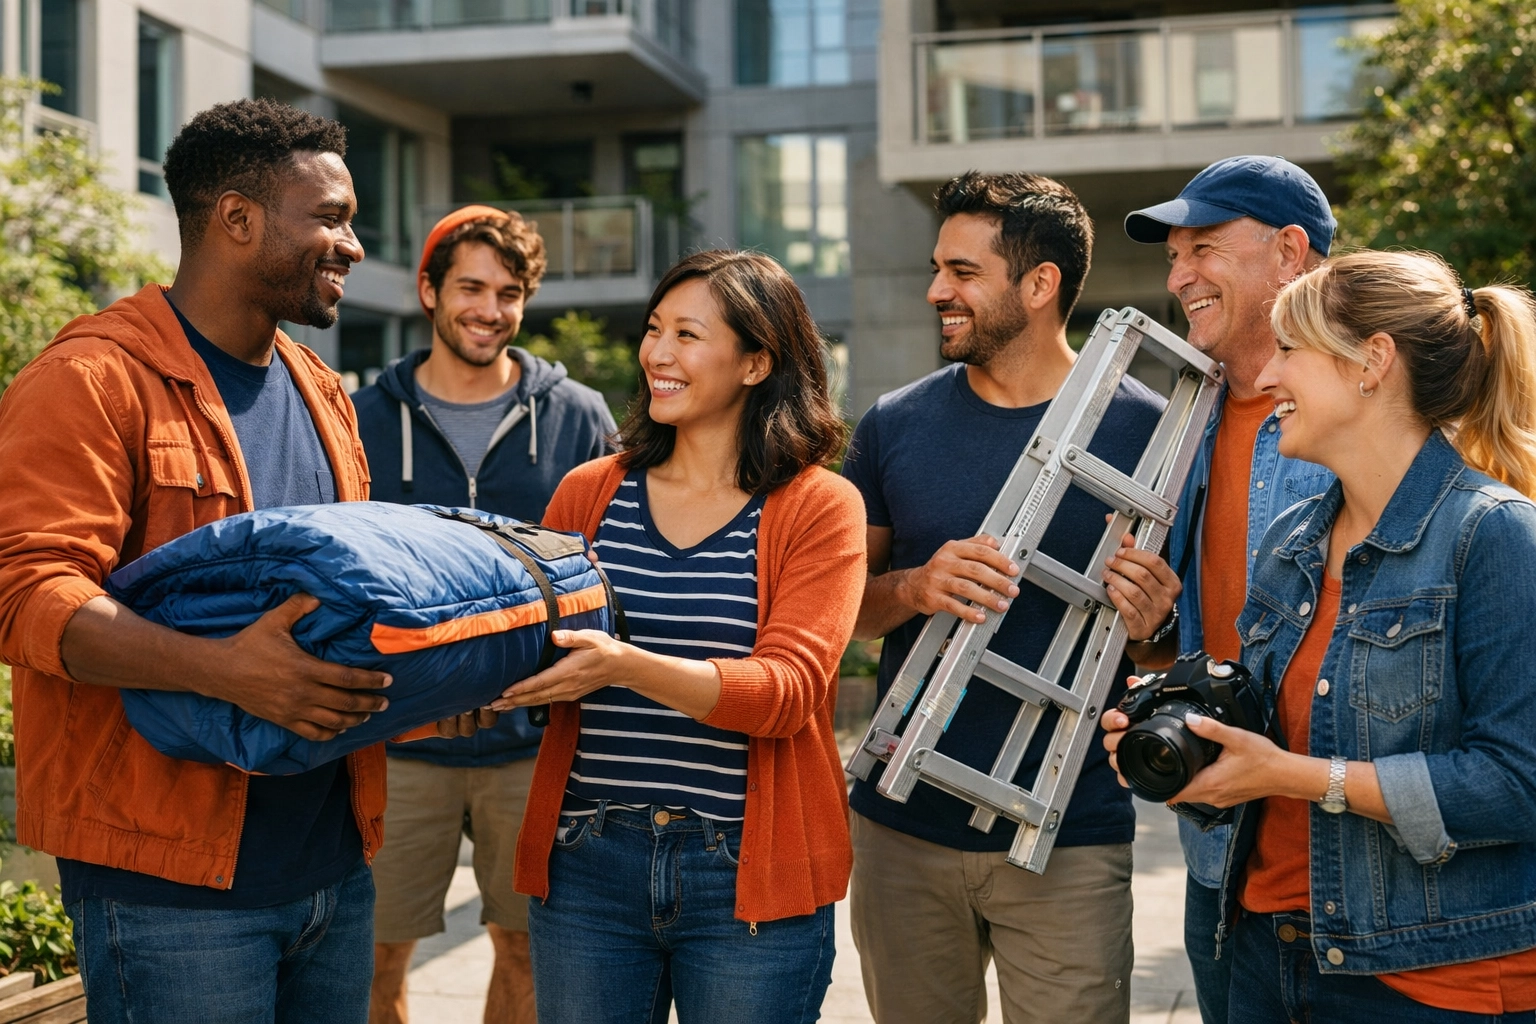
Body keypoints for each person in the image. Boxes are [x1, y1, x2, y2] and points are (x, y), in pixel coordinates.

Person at [0, 99, 390, 1022]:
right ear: (238, 220)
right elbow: (23, 593)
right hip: (167, 888)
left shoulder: (323, 390)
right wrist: (224, 672)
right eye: (330, 218)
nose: (353, 245)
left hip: (333, 865)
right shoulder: (91, 379)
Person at [1106, 250, 1536, 1022]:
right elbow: (1271, 742)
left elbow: (1517, 785)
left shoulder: (1495, 537)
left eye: (1290, 352)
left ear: (1371, 362)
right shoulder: (1295, 536)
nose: (1267, 378)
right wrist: (1192, 747)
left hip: (1425, 983)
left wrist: (1293, 775)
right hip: (1262, 956)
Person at [487, 249, 863, 1022]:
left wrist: (623, 666)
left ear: (757, 362)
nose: (657, 353)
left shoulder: (819, 507)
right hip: (588, 860)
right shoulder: (590, 493)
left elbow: (787, 695)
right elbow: (534, 637)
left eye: (688, 335)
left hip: (745, 873)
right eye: (655, 329)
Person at [841, 171, 1179, 1024]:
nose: (935, 292)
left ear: (1039, 285)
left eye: (961, 272)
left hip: (1067, 834)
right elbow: (845, 611)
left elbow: (1168, 651)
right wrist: (915, 586)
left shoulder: (1152, 433)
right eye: (936, 268)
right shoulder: (893, 424)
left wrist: (1157, 622)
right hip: (902, 829)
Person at [352, 206, 615, 1024]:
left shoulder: (578, 415)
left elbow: (606, 566)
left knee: (528, 949)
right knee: (371, 959)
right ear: (428, 291)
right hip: (400, 741)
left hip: (534, 744)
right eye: (470, 287)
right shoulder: (362, 418)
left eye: (509, 293)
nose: (489, 310)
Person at [1121, 155, 1338, 1024]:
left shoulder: (1383, 415)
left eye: (1204, 248)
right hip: (1224, 869)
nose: (1179, 278)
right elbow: (1204, 652)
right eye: (1174, 257)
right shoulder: (1186, 423)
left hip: (1357, 882)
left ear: (1290, 252)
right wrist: (1151, 636)